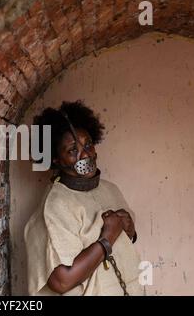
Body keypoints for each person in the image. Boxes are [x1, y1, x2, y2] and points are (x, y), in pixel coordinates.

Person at [24, 100, 142, 296]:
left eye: (88, 145)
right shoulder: (54, 206)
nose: (85, 154)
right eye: (72, 151)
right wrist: (107, 238)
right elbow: (61, 281)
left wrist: (130, 231)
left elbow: (125, 244)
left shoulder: (110, 189)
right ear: (55, 158)